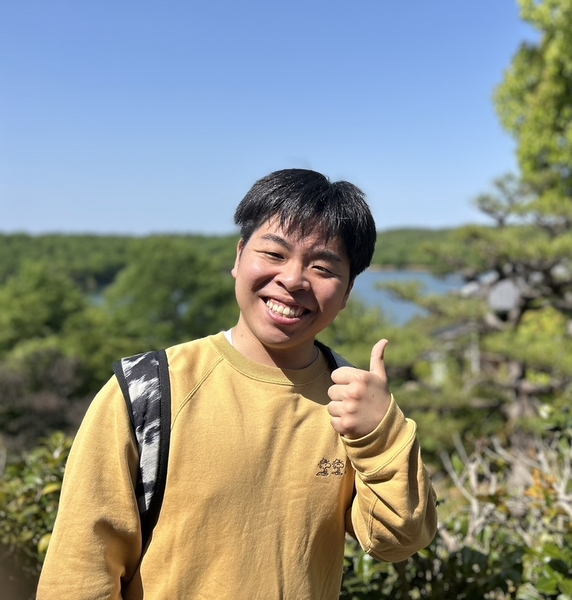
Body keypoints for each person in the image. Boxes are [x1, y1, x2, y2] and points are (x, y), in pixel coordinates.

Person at [37, 169, 438, 599]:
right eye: (275, 253)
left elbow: (397, 540)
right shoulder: (148, 389)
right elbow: (79, 573)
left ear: (347, 291)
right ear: (240, 255)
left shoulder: (351, 406)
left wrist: (381, 433)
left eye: (322, 267)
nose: (293, 280)